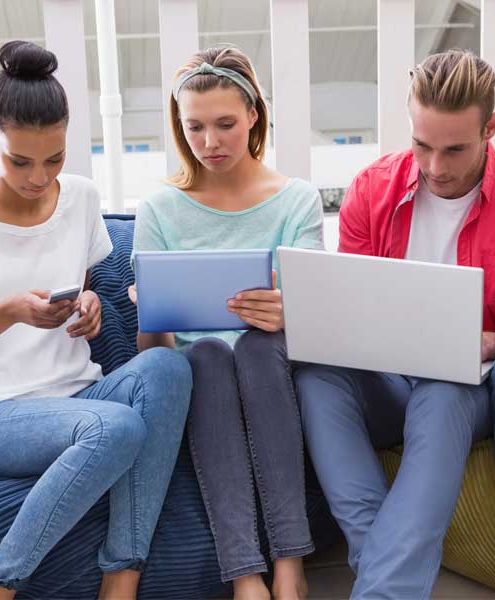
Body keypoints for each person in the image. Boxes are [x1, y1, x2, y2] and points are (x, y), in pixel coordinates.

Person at [0, 41, 191, 600]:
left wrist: (89, 309)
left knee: (168, 369)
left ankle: (120, 580)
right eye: (19, 160)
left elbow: (87, 299)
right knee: (117, 427)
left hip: (75, 396)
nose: (38, 177)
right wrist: (8, 312)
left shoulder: (79, 198)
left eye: (54, 159)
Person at [289, 50, 495, 598]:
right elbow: (352, 309)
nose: (435, 167)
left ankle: (382, 587)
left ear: (490, 129)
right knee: (316, 375)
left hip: (473, 388)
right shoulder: (372, 189)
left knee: (445, 387)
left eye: (455, 148)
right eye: (422, 145)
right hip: (386, 378)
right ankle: (381, 563)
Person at [137, 45, 324, 600]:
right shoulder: (159, 209)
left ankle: (290, 564)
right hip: (202, 375)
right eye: (194, 127)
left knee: (256, 346)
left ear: (253, 117)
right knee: (211, 355)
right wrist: (153, 308)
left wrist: (288, 311)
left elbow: (316, 323)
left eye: (224, 124)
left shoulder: (296, 200)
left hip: (273, 363)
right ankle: (245, 574)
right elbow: (154, 351)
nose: (210, 143)